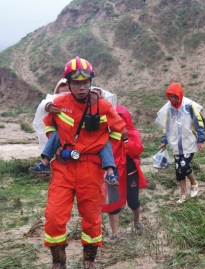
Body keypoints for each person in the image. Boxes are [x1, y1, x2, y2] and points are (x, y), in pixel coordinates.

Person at [43, 56, 126, 269]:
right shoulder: (59, 104)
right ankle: (58, 262)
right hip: (64, 168)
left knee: (91, 217)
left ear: (91, 82)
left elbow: (120, 131)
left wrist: (106, 155)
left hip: (91, 169)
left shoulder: (104, 106)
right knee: (54, 216)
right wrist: (58, 145)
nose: (82, 87)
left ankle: (89, 260)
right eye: (77, 83)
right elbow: (49, 126)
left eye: (85, 83)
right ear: (68, 83)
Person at [29, 83, 119, 185]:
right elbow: (46, 118)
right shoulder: (57, 104)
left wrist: (97, 92)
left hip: (89, 162)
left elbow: (104, 94)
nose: (65, 95)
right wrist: (48, 106)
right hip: (63, 163)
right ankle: (45, 163)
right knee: (58, 198)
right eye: (61, 93)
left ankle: (110, 172)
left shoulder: (96, 102)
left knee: (104, 142)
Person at [102, 105, 148, 243]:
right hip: (113, 174)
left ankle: (137, 222)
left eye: (121, 118)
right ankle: (115, 234)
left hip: (130, 172)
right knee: (113, 203)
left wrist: (126, 139)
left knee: (133, 201)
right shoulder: (106, 135)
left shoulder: (133, 132)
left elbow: (136, 150)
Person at [155, 83, 205, 204]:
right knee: (178, 170)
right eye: (170, 97)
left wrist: (201, 140)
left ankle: (194, 184)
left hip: (189, 142)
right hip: (176, 144)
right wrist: (164, 141)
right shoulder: (168, 110)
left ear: (180, 95)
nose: (173, 99)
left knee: (183, 165)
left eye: (175, 96)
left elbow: (199, 123)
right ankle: (184, 194)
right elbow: (167, 127)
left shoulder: (189, 106)